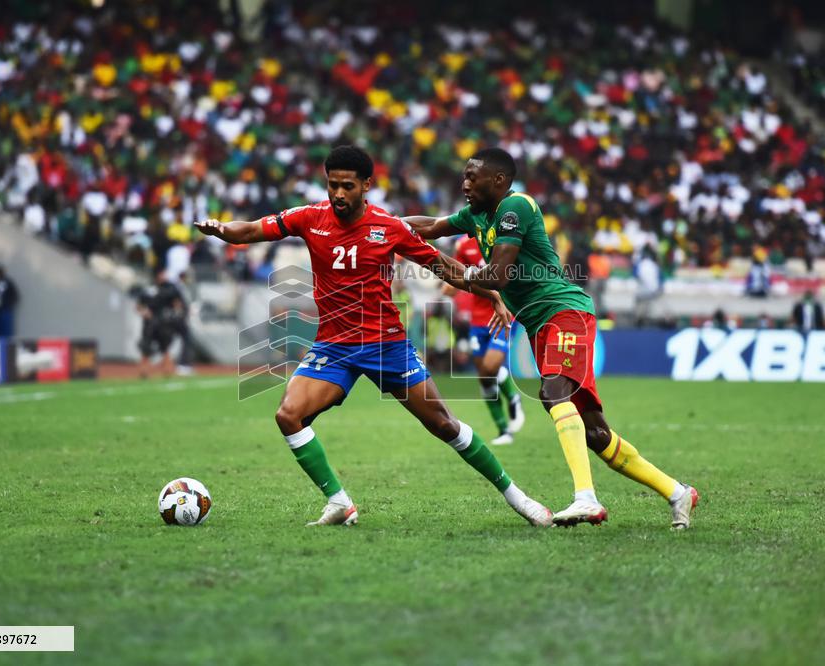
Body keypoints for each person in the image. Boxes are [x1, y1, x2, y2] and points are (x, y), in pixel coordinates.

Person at [194, 145, 551, 528]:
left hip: (386, 345)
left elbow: (444, 267)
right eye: (332, 185)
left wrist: (492, 293)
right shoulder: (308, 217)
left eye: (347, 186)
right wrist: (221, 230)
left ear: (366, 185)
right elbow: (249, 230)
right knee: (289, 415)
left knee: (444, 425)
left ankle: (519, 498)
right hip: (333, 346)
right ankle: (339, 502)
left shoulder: (389, 227)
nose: (338, 194)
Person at [406, 148, 698, 529]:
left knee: (552, 391)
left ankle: (586, 499)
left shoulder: (516, 207)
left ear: (498, 180)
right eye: (464, 176)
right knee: (596, 433)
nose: (464, 183)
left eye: (471, 176)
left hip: (564, 311)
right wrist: (379, 224)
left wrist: (452, 271)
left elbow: (497, 276)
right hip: (539, 323)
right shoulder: (476, 215)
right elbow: (430, 226)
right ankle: (678, 493)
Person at [442, 233, 524, 445]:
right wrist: (449, 287)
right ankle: (504, 430)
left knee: (489, 367)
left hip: (501, 315)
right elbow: (455, 274)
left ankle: (513, 397)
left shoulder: (503, 242)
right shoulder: (463, 245)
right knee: (485, 377)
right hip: (477, 321)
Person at [136, 268, 186, 379]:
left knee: (165, 347)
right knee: (146, 347)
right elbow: (139, 305)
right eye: (162, 274)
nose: (164, 276)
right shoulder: (148, 289)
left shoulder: (170, 289)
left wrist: (175, 313)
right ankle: (144, 371)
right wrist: (144, 312)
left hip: (164, 323)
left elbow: (177, 303)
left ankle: (167, 370)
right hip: (149, 323)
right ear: (157, 275)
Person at [633, 245, 663, 327]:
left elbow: (635, 275)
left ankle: (639, 321)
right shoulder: (655, 265)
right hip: (655, 291)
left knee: (640, 309)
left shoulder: (641, 264)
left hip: (644, 292)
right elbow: (660, 279)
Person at [0, 265, 19, 338]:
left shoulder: (8, 282)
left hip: (6, 311)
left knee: (6, 332)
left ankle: (7, 347)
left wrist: (8, 304)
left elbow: (15, 295)